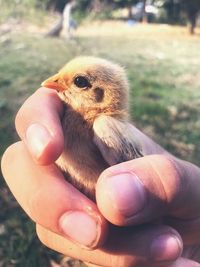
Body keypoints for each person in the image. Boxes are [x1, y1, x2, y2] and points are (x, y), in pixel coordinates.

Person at [1, 87, 200, 267]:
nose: (53, 83)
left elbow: (134, 167)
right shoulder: (65, 123)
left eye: (78, 81)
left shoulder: (104, 127)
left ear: (100, 94)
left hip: (145, 225)